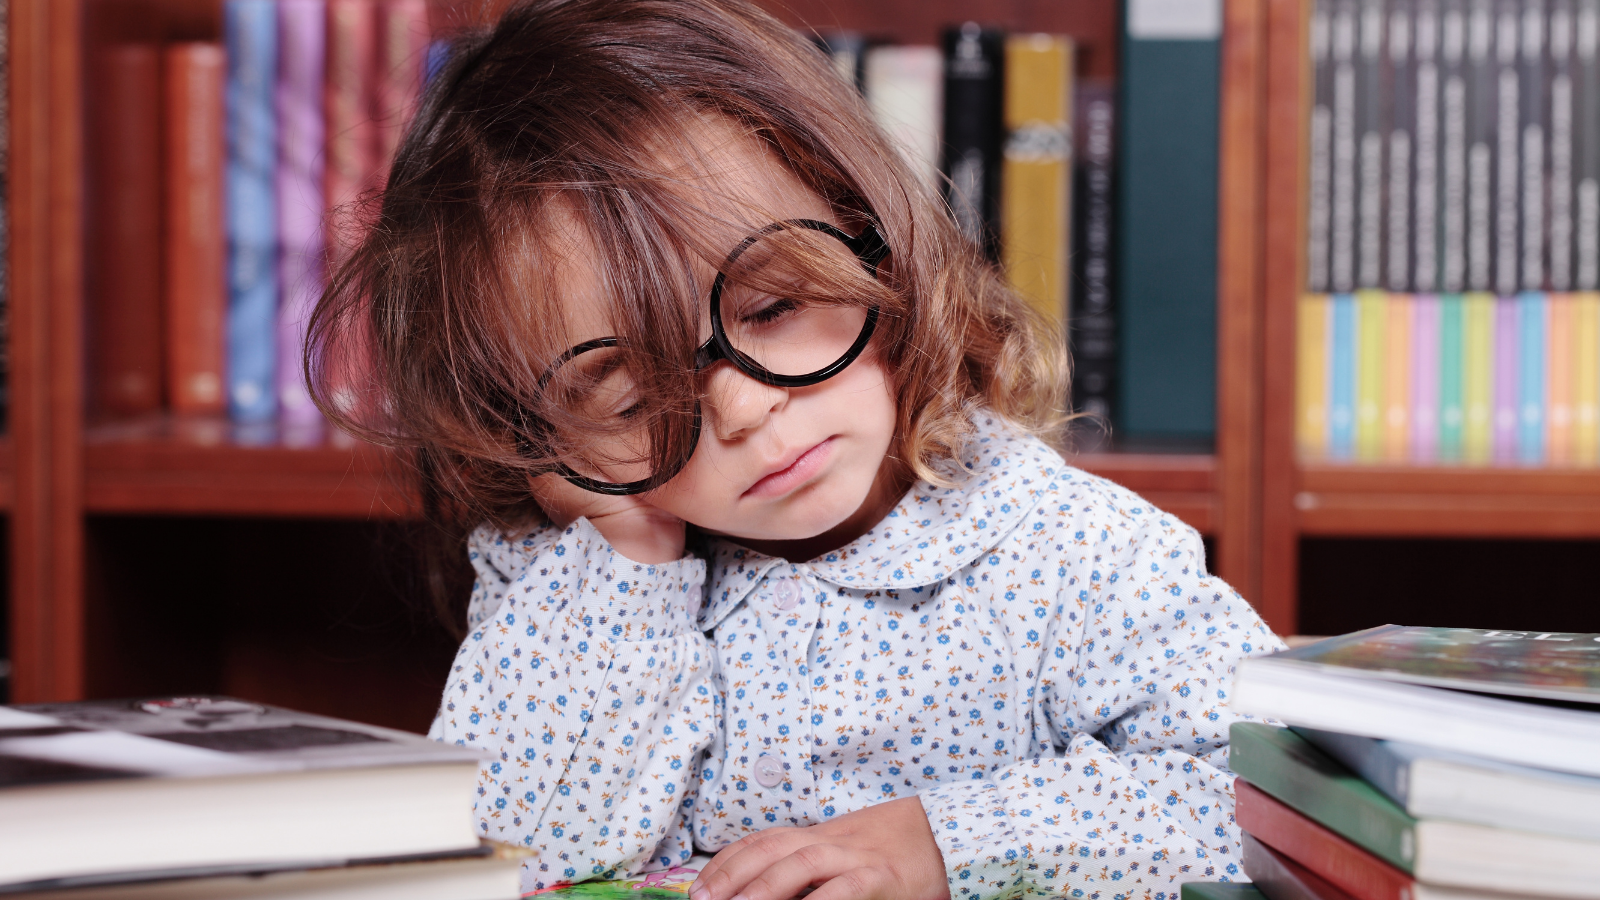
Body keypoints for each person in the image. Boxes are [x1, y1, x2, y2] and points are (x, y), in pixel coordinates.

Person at [304, 1, 1287, 898]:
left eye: (772, 309)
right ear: (539, 432)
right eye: (638, 397)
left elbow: (1265, 801)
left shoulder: (1070, 553)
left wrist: (943, 846)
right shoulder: (567, 580)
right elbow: (509, 863)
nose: (739, 409)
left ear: (870, 234)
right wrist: (623, 562)